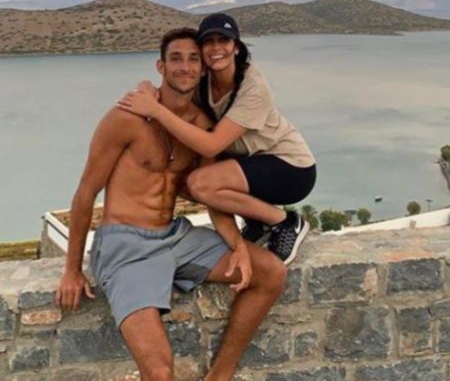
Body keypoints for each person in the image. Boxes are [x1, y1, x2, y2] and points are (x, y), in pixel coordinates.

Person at [55, 28, 286, 381]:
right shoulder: (126, 118)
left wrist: (238, 245)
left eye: (193, 59)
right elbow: (85, 193)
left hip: (174, 237)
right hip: (126, 246)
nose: (184, 67)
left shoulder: (200, 127)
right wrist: (72, 268)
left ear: (202, 68)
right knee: (159, 371)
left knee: (270, 272)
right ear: (160, 66)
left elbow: (210, 195)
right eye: (175, 58)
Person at [118, 13, 316, 266]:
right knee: (178, 178)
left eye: (223, 40)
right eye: (208, 41)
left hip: (290, 168)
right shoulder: (204, 79)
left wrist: (156, 110)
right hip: (249, 165)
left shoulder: (253, 88)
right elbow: (168, 90)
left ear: (236, 47)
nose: (216, 48)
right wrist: (146, 87)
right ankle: (257, 221)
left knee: (201, 183)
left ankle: (286, 222)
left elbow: (212, 145)